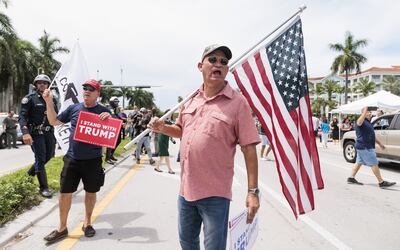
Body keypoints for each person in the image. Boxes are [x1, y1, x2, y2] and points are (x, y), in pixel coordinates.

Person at [149, 44, 260, 250]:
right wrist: (162, 127)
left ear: (227, 69)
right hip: (186, 192)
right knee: (187, 243)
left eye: (223, 62)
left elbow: (249, 148)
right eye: (213, 60)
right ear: (201, 66)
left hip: (215, 195)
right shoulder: (190, 99)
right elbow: (180, 129)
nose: (218, 64)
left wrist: (252, 192)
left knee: (214, 247)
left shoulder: (238, 103)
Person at [42, 79, 111, 243]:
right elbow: (53, 122)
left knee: (90, 192)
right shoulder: (73, 108)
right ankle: (62, 228)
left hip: (93, 161)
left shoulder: (103, 111)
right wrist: (48, 102)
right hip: (72, 159)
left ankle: (87, 223)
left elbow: (113, 132)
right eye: (85, 88)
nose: (87, 90)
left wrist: (109, 118)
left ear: (97, 94)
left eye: (91, 89)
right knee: (65, 194)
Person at [19, 74, 57, 198]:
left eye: (44, 83)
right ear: (36, 85)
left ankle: (28, 176)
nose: (42, 84)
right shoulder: (29, 99)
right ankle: (44, 188)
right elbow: (22, 117)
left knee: (49, 155)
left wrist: (49, 101)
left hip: (49, 132)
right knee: (40, 158)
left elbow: (55, 115)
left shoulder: (52, 98)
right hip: (36, 133)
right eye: (39, 82)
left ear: (48, 85)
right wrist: (25, 133)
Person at [347, 106, 396, 188]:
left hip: (365, 146)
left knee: (358, 162)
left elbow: (372, 135)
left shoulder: (368, 122)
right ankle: (381, 182)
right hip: (364, 146)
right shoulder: (360, 121)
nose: (370, 113)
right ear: (363, 113)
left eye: (370, 112)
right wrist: (364, 110)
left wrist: (379, 143)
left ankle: (351, 178)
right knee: (374, 163)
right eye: (367, 112)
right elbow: (359, 122)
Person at [105, 97, 123, 164]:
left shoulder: (115, 108)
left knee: (118, 140)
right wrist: (121, 121)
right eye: (115, 102)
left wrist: (123, 119)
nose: (117, 103)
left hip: (115, 126)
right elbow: (113, 116)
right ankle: (107, 158)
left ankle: (111, 155)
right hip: (110, 127)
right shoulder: (110, 107)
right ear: (111, 102)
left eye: (117, 102)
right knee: (110, 142)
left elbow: (117, 116)